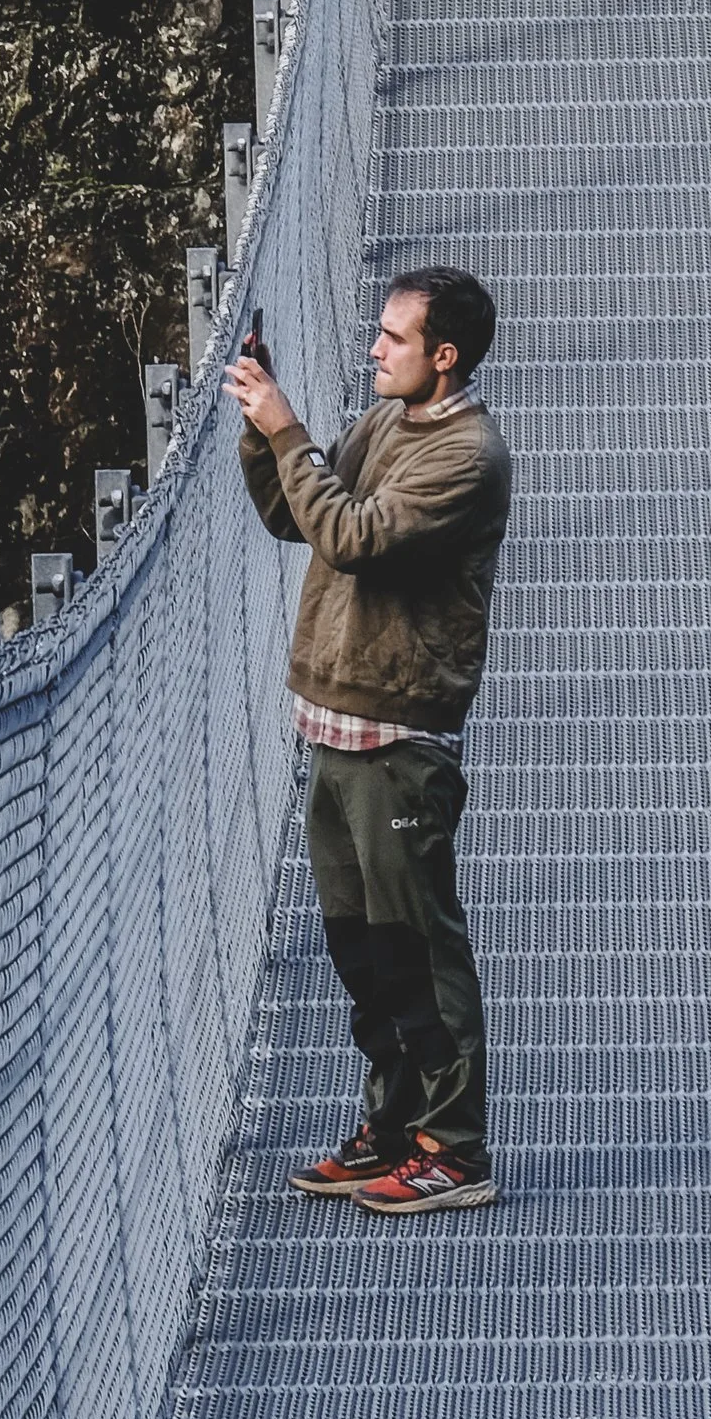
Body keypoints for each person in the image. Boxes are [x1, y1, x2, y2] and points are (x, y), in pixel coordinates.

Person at [228, 267, 511, 1213]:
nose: (375, 349)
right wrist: (261, 430)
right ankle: (392, 1125)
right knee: (363, 948)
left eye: (393, 339)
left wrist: (286, 426)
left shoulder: (467, 455)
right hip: (332, 724)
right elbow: (293, 515)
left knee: (421, 947)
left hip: (399, 733)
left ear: (444, 356)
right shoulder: (384, 421)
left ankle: (453, 1148)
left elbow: (350, 537)